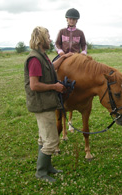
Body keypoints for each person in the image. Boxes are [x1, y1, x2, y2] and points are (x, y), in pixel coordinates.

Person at [24, 26, 73, 182]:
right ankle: (41, 172)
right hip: (42, 105)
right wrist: (55, 87)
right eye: (48, 37)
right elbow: (34, 85)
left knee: (43, 139)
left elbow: (50, 69)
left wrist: (64, 58)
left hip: (46, 103)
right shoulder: (34, 59)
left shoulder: (42, 56)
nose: (51, 40)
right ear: (41, 39)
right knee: (52, 140)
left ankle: (48, 167)